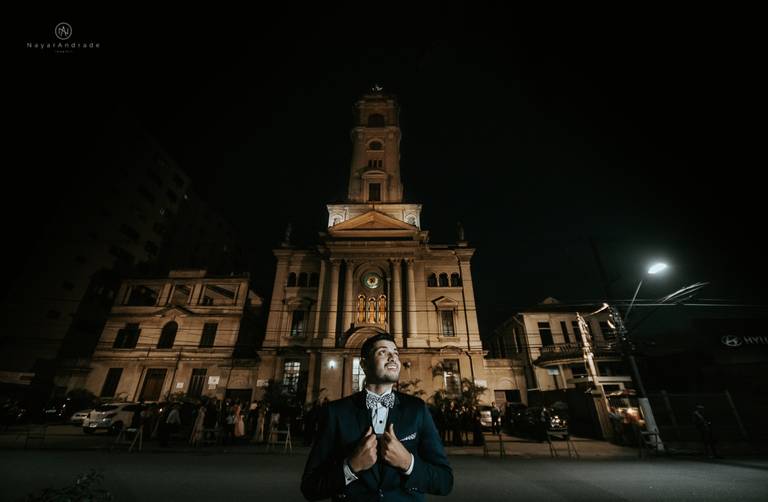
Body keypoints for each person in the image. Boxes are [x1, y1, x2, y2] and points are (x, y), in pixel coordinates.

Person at [301, 332, 453, 501]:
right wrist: (350, 467)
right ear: (364, 365)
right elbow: (310, 487)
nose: (393, 357)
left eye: (395, 353)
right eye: (383, 352)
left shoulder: (417, 409)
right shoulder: (336, 412)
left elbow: (445, 481)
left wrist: (408, 463)